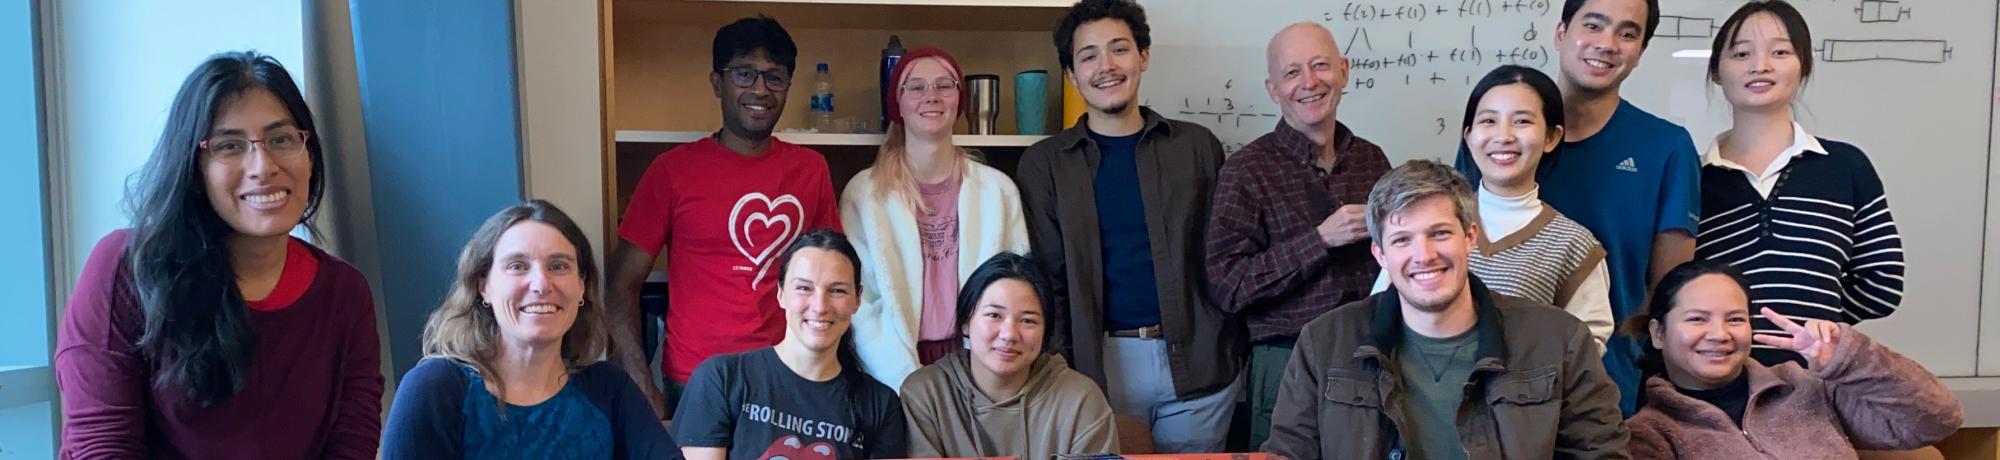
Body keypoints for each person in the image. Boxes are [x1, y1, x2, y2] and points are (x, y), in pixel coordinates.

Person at [55, 51, 383, 459]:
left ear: (310, 155)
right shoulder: (126, 267)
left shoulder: (345, 293)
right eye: (230, 146)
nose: (262, 166)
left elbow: (352, 445)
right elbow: (104, 447)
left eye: (281, 139)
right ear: (194, 168)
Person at [1263, 161, 1626, 460]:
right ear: (1380, 255)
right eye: (1402, 239)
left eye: (1439, 233)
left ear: (1470, 237)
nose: (1424, 255)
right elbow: (1288, 454)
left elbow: (1601, 454)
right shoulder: (1324, 342)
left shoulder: (1558, 340)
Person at [1015, 0, 1246, 452]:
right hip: (1096, 368)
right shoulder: (1045, 165)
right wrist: (1061, 372)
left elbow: (1225, 256)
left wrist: (1229, 346)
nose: (1106, 66)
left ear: (1143, 56)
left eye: (1119, 49)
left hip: (1200, 364)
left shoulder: (1196, 147)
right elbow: (1048, 279)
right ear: (1071, 73)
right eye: (1089, 56)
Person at [1455, 0, 1702, 413]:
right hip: (1473, 392)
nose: (1607, 44)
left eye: (1627, 33)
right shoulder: (1497, 143)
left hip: (1604, 388)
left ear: (1641, 51)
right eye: (1593, 25)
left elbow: (1670, 290)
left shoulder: (1667, 147)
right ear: (1560, 32)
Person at [606, 15, 843, 419]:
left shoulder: (811, 170)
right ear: (718, 83)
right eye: (744, 74)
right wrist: (640, 383)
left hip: (789, 374)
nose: (760, 89)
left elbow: (832, 278)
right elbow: (618, 287)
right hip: (693, 379)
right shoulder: (671, 171)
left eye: (775, 77)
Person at [1205, 22, 1392, 448]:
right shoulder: (1246, 171)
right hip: (1285, 360)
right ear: (1273, 90)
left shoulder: (1372, 160)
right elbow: (1228, 287)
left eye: (1320, 65)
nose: (1309, 82)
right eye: (1292, 73)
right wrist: (1320, 239)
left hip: (1372, 354)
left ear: (1343, 71)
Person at [381, 200, 681, 459]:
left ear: (581, 287)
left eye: (558, 266)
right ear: (483, 286)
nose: (540, 284)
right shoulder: (436, 389)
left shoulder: (609, 388)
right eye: (517, 266)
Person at [1693, 0, 1904, 367]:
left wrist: (1817, 328)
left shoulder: (1845, 166)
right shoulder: (1690, 175)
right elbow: (1669, 287)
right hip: (1709, 384)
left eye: (1780, 51)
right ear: (1716, 71)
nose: (1760, 65)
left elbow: (1882, 282)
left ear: (1803, 65)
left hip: (1815, 384)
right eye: (1741, 53)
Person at [1372, 65, 1614, 352]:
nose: (1504, 136)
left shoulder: (1573, 245)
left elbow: (1587, 346)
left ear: (1551, 137)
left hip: (1521, 395)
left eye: (1522, 121)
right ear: (1469, 135)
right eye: (1488, 121)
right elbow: (1380, 314)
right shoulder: (1422, 221)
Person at [1626, 260, 1959, 458]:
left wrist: (1848, 358)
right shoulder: (1649, 433)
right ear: (1658, 333)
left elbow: (1937, 419)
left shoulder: (1804, 388)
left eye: (1736, 319)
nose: (1720, 334)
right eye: (1697, 319)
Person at [842, 47, 1031, 390]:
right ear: (897, 104)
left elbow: (1019, 290)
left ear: (960, 99)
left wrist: (988, 368)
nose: (931, 96)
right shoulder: (864, 194)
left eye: (944, 85)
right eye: (915, 87)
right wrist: (904, 378)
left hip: (978, 363)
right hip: (889, 366)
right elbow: (861, 302)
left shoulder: (998, 191)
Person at [673, 229, 907, 460]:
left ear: (857, 299)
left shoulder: (881, 405)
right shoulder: (722, 379)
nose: (820, 305)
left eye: (837, 290)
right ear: (781, 293)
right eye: (804, 288)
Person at [900, 253, 1119, 459]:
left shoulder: (1080, 398)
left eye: (1027, 320)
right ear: (966, 321)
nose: (1009, 335)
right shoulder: (926, 394)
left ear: (1046, 332)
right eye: (994, 315)